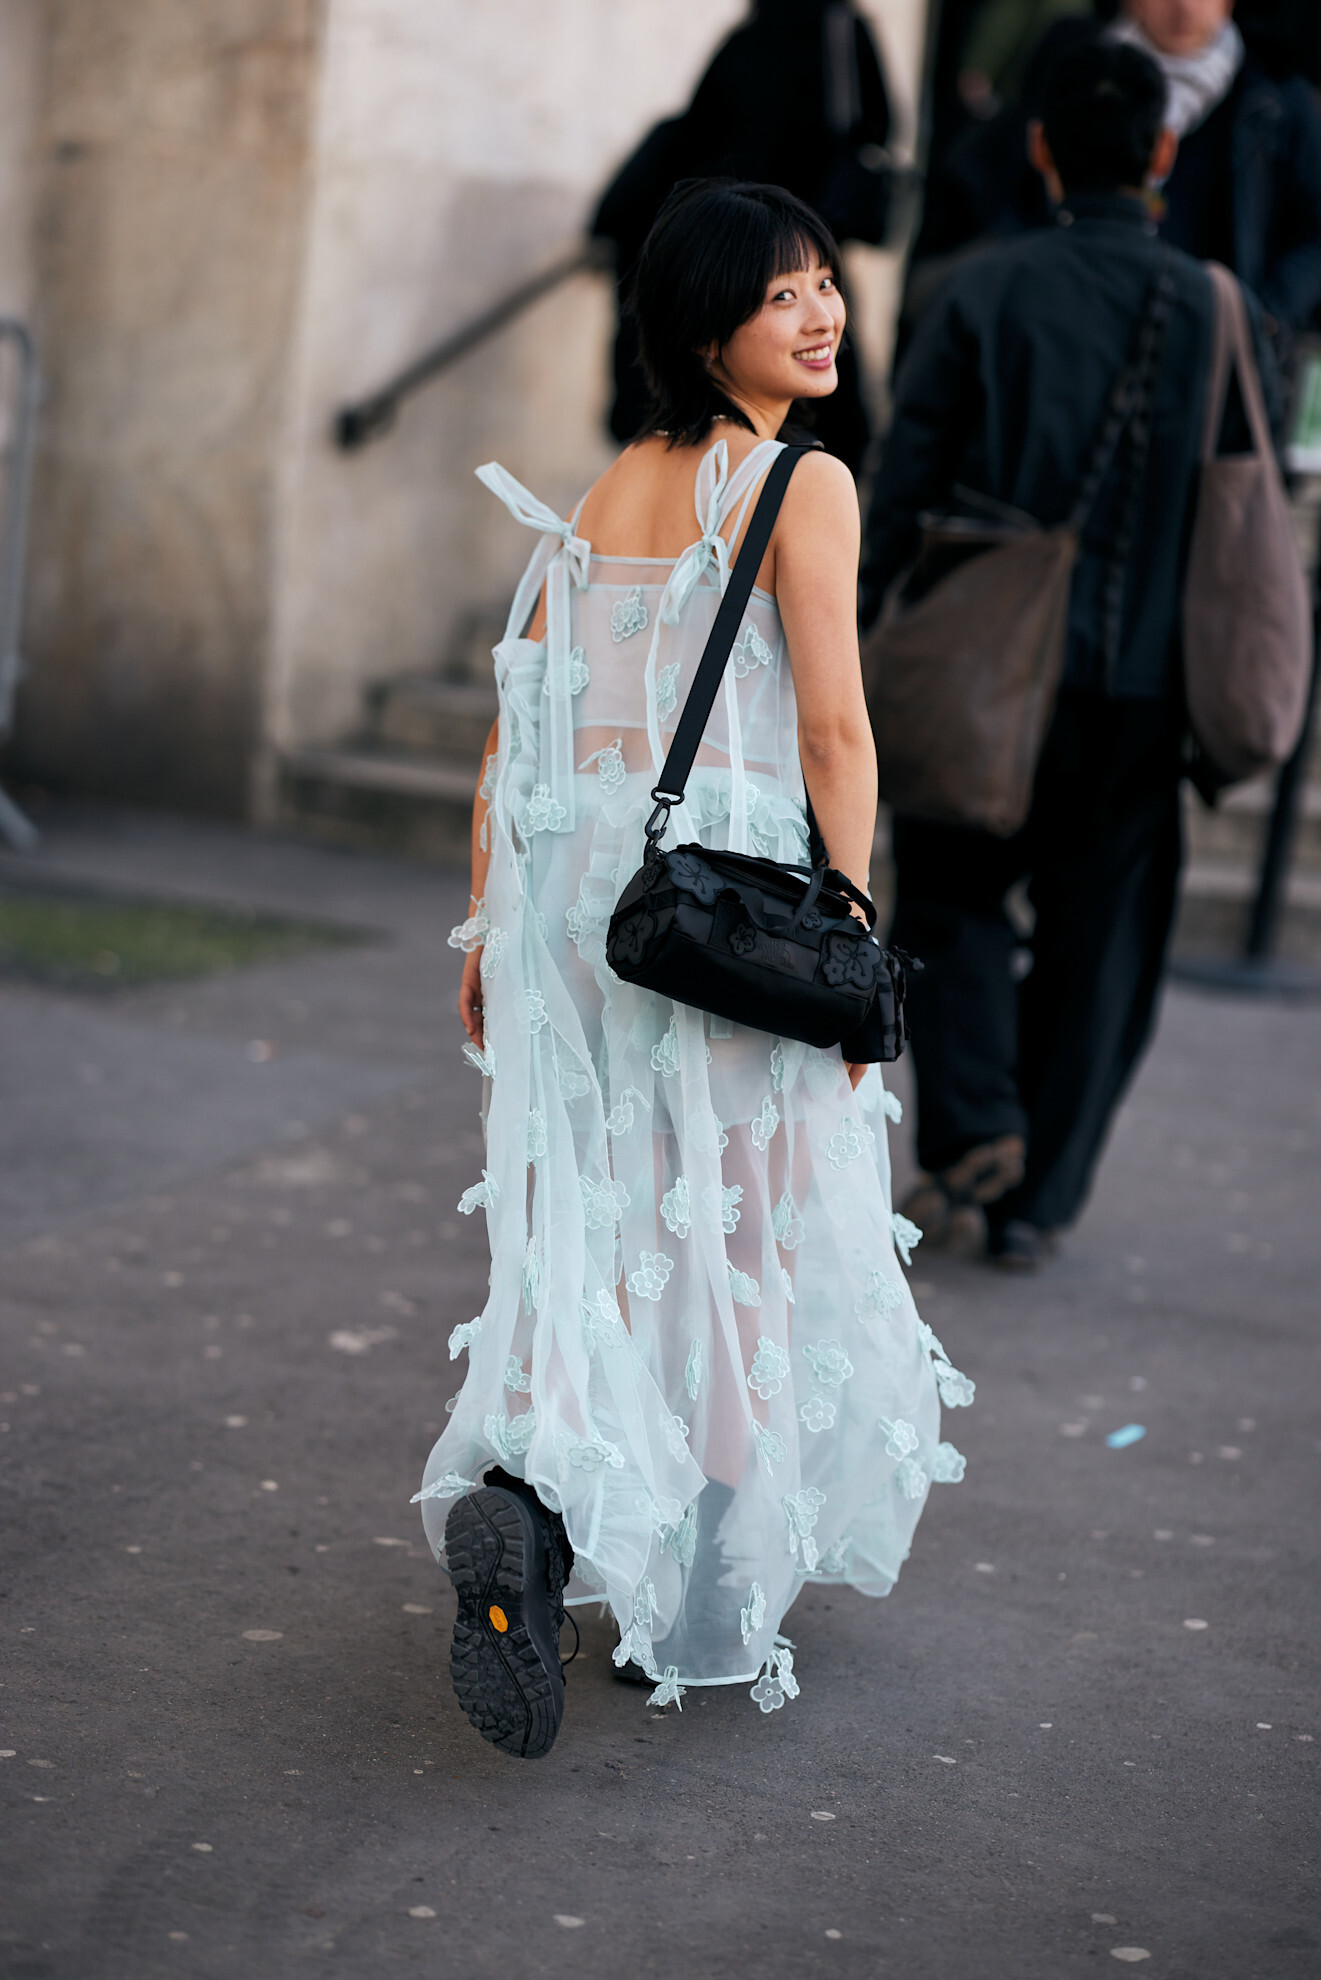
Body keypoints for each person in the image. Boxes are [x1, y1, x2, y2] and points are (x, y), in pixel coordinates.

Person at [417, 182, 972, 1759]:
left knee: (602, 1225)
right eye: (782, 293)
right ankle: (706, 1595)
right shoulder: (802, 484)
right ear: (702, 319)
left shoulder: (608, 487)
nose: (821, 316)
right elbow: (833, 733)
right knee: (740, 1234)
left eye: (826, 285)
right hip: (732, 912)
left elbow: (523, 723)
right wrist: (851, 943)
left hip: (581, 903)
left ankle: (534, 1509)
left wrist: (481, 925)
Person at [859, 39, 1271, 1270]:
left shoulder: (977, 291)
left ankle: (975, 1122)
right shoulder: (1216, 305)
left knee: (948, 889)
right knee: (1106, 940)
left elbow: (899, 485)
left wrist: (857, 619)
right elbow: (1242, 500)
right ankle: (1035, 1199)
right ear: (1160, 151)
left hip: (983, 662)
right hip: (1143, 680)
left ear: (1037, 147)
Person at [911, 0, 1321, 354]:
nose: (1182, 5)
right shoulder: (1075, 62)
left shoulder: (1276, 99)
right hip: (1064, 323)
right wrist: (1026, 269)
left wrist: (1264, 315)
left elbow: (1312, 232)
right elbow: (996, 175)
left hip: (1204, 346)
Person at [591, 0, 893, 475]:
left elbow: (699, 129)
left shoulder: (766, 39)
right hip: (778, 244)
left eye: (825, 290)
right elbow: (875, 129)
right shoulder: (828, 34)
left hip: (732, 250)